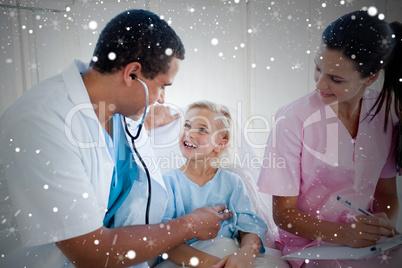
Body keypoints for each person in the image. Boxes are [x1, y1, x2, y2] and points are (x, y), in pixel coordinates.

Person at [0, 9, 231, 268]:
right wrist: (190, 225)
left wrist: (151, 119)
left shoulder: (117, 114)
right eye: (163, 86)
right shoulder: (41, 121)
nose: (162, 98)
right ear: (132, 74)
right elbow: (91, 253)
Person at [257, 10, 402, 268]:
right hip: (312, 245)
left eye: (335, 79)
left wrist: (382, 225)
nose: (320, 84)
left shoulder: (384, 114)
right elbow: (283, 215)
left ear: (370, 77)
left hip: (365, 243)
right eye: (318, 68)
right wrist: (343, 234)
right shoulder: (292, 119)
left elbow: (387, 193)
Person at [155, 100, 284, 268]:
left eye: (202, 129)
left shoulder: (232, 182)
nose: (190, 133)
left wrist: (245, 255)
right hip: (185, 261)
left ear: (221, 144)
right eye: (187, 125)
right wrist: (213, 264)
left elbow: (251, 228)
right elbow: (165, 240)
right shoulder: (168, 183)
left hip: (228, 254)